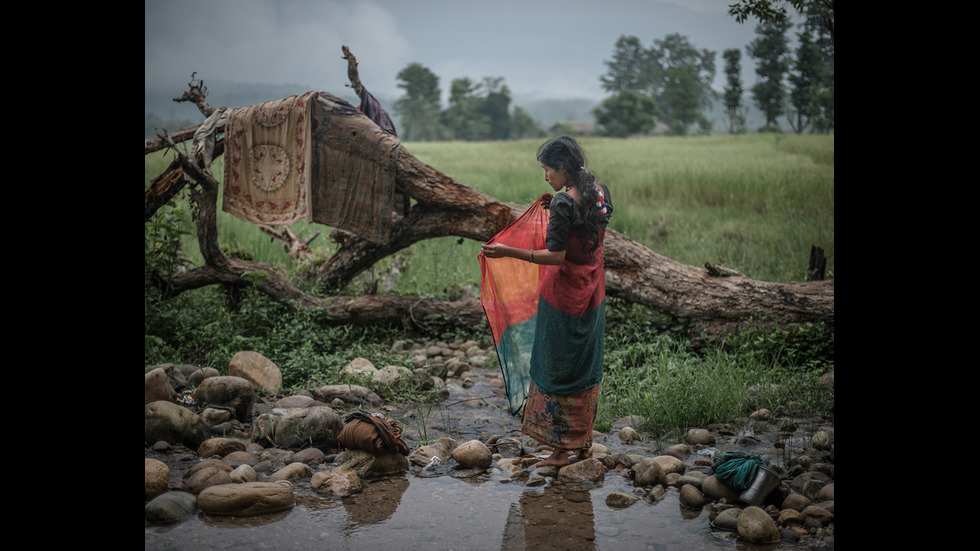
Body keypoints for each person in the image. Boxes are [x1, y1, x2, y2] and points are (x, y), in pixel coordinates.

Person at [481, 136, 612, 468]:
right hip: (593, 292)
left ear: (563, 168)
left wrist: (507, 251)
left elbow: (555, 256)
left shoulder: (563, 203)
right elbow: (584, 231)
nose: (546, 177)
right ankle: (582, 444)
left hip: (564, 296)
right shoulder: (599, 192)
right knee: (583, 366)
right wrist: (554, 210)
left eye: (547, 170)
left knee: (556, 366)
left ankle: (559, 451)